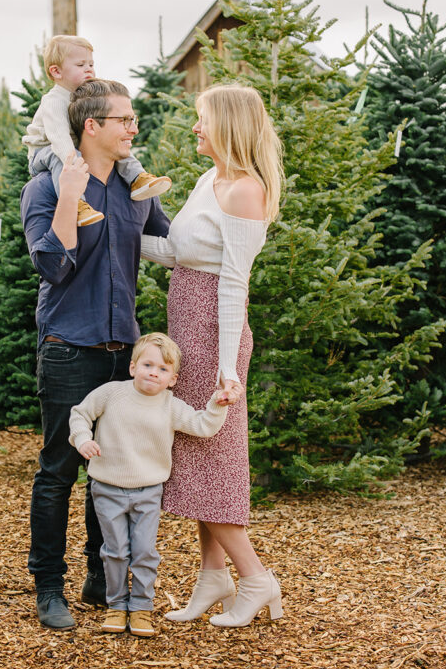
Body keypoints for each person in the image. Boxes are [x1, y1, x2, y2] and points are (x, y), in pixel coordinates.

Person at [22, 78, 172, 631]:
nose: (134, 128)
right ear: (92, 127)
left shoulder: (138, 190)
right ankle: (49, 587)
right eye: (124, 120)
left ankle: (97, 575)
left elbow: (171, 246)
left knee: (107, 470)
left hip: (123, 356)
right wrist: (68, 199)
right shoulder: (44, 187)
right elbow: (52, 268)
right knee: (60, 471)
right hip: (69, 350)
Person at [140, 83, 285, 628]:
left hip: (215, 332)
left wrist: (227, 369)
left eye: (202, 119)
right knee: (196, 458)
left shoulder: (245, 191)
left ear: (227, 124)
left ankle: (255, 579)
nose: (195, 128)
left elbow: (232, 283)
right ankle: (212, 577)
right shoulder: (210, 179)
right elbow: (178, 253)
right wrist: (117, 235)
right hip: (187, 327)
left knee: (213, 458)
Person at [68, 332, 230, 637]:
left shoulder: (170, 405)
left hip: (148, 491)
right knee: (115, 550)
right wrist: (83, 439)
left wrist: (217, 403)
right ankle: (117, 607)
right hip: (107, 488)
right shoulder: (112, 393)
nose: (153, 372)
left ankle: (141, 608)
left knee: (143, 551)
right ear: (133, 368)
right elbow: (80, 413)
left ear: (172, 379)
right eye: (147, 365)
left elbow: (203, 425)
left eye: (163, 369)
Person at [23, 35, 171, 227]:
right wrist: (76, 163)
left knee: (116, 142)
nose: (89, 69)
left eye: (91, 64)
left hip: (70, 145)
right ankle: (77, 204)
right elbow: (59, 139)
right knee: (62, 159)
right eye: (80, 65)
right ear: (56, 71)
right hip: (45, 150)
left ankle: (137, 178)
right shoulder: (54, 101)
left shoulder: (84, 96)